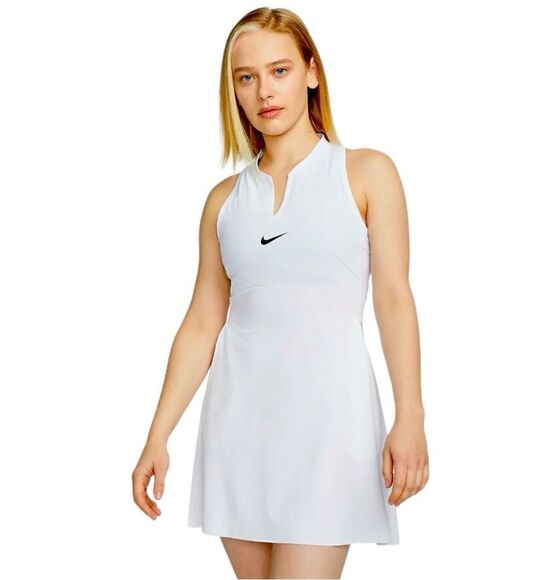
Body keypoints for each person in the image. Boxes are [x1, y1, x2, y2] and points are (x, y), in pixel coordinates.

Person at [132, 7, 428, 579]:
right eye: (246, 77)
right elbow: (202, 322)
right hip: (239, 427)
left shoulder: (367, 173)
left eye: (280, 70)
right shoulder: (223, 202)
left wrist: (409, 414)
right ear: (234, 91)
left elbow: (394, 298)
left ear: (311, 72)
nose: (264, 91)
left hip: (330, 425)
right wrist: (157, 435)